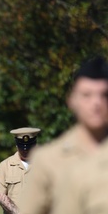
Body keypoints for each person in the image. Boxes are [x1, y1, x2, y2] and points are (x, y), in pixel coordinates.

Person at [19, 56, 108, 214]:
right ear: (72, 101)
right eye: (87, 95)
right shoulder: (47, 159)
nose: (96, 103)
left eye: (104, 95)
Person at [0, 127, 41, 214]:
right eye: (22, 148)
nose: (25, 151)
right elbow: (0, 196)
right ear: (16, 145)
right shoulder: (5, 165)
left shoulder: (44, 164)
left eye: (28, 148)